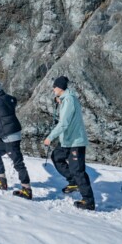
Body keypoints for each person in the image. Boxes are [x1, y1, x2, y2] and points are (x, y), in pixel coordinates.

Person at [43, 76, 96, 211]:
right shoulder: (65, 99)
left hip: (75, 141)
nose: (53, 89)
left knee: (77, 170)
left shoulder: (69, 100)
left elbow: (64, 124)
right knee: (56, 157)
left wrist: (50, 137)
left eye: (54, 87)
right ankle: (73, 182)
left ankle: (88, 201)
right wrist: (60, 101)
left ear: (60, 88)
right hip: (67, 140)